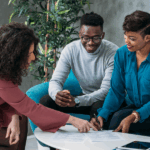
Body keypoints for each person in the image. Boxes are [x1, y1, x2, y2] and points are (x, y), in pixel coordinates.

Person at [0, 22, 97, 150]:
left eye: (33, 52)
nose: (34, 57)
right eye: (29, 54)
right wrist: (74, 120)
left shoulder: (5, 72)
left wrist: (13, 116)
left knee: (20, 118)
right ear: (15, 56)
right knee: (13, 133)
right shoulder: (2, 80)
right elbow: (32, 109)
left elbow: (13, 99)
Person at [39, 12, 119, 121]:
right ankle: (54, 137)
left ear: (102, 35)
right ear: (79, 34)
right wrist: (57, 95)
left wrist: (77, 101)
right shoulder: (70, 49)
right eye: (85, 38)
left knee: (99, 109)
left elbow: (106, 91)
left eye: (96, 38)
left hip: (107, 99)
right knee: (45, 102)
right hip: (84, 97)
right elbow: (56, 80)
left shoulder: (113, 53)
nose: (90, 43)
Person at [91, 10, 150, 136]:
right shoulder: (122, 54)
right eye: (125, 36)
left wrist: (135, 115)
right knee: (100, 115)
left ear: (147, 37)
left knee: (118, 120)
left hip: (147, 110)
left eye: (132, 38)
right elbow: (116, 90)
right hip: (136, 106)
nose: (126, 42)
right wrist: (103, 114)